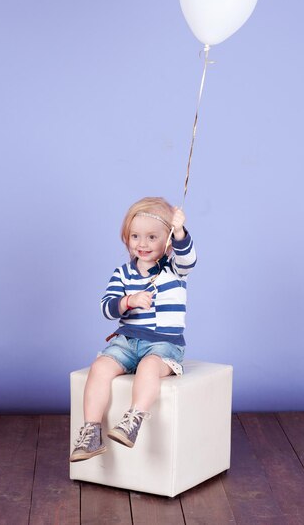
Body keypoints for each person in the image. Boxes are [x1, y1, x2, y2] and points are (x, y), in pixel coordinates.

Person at [70, 196, 196, 462]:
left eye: (152, 237)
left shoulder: (175, 270)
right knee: (100, 368)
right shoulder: (122, 273)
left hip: (163, 343)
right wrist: (128, 301)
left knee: (150, 366)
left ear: (168, 240)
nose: (142, 243)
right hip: (128, 341)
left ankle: (133, 419)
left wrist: (182, 230)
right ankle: (91, 432)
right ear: (126, 238)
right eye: (135, 236)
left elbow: (189, 259)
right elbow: (106, 308)